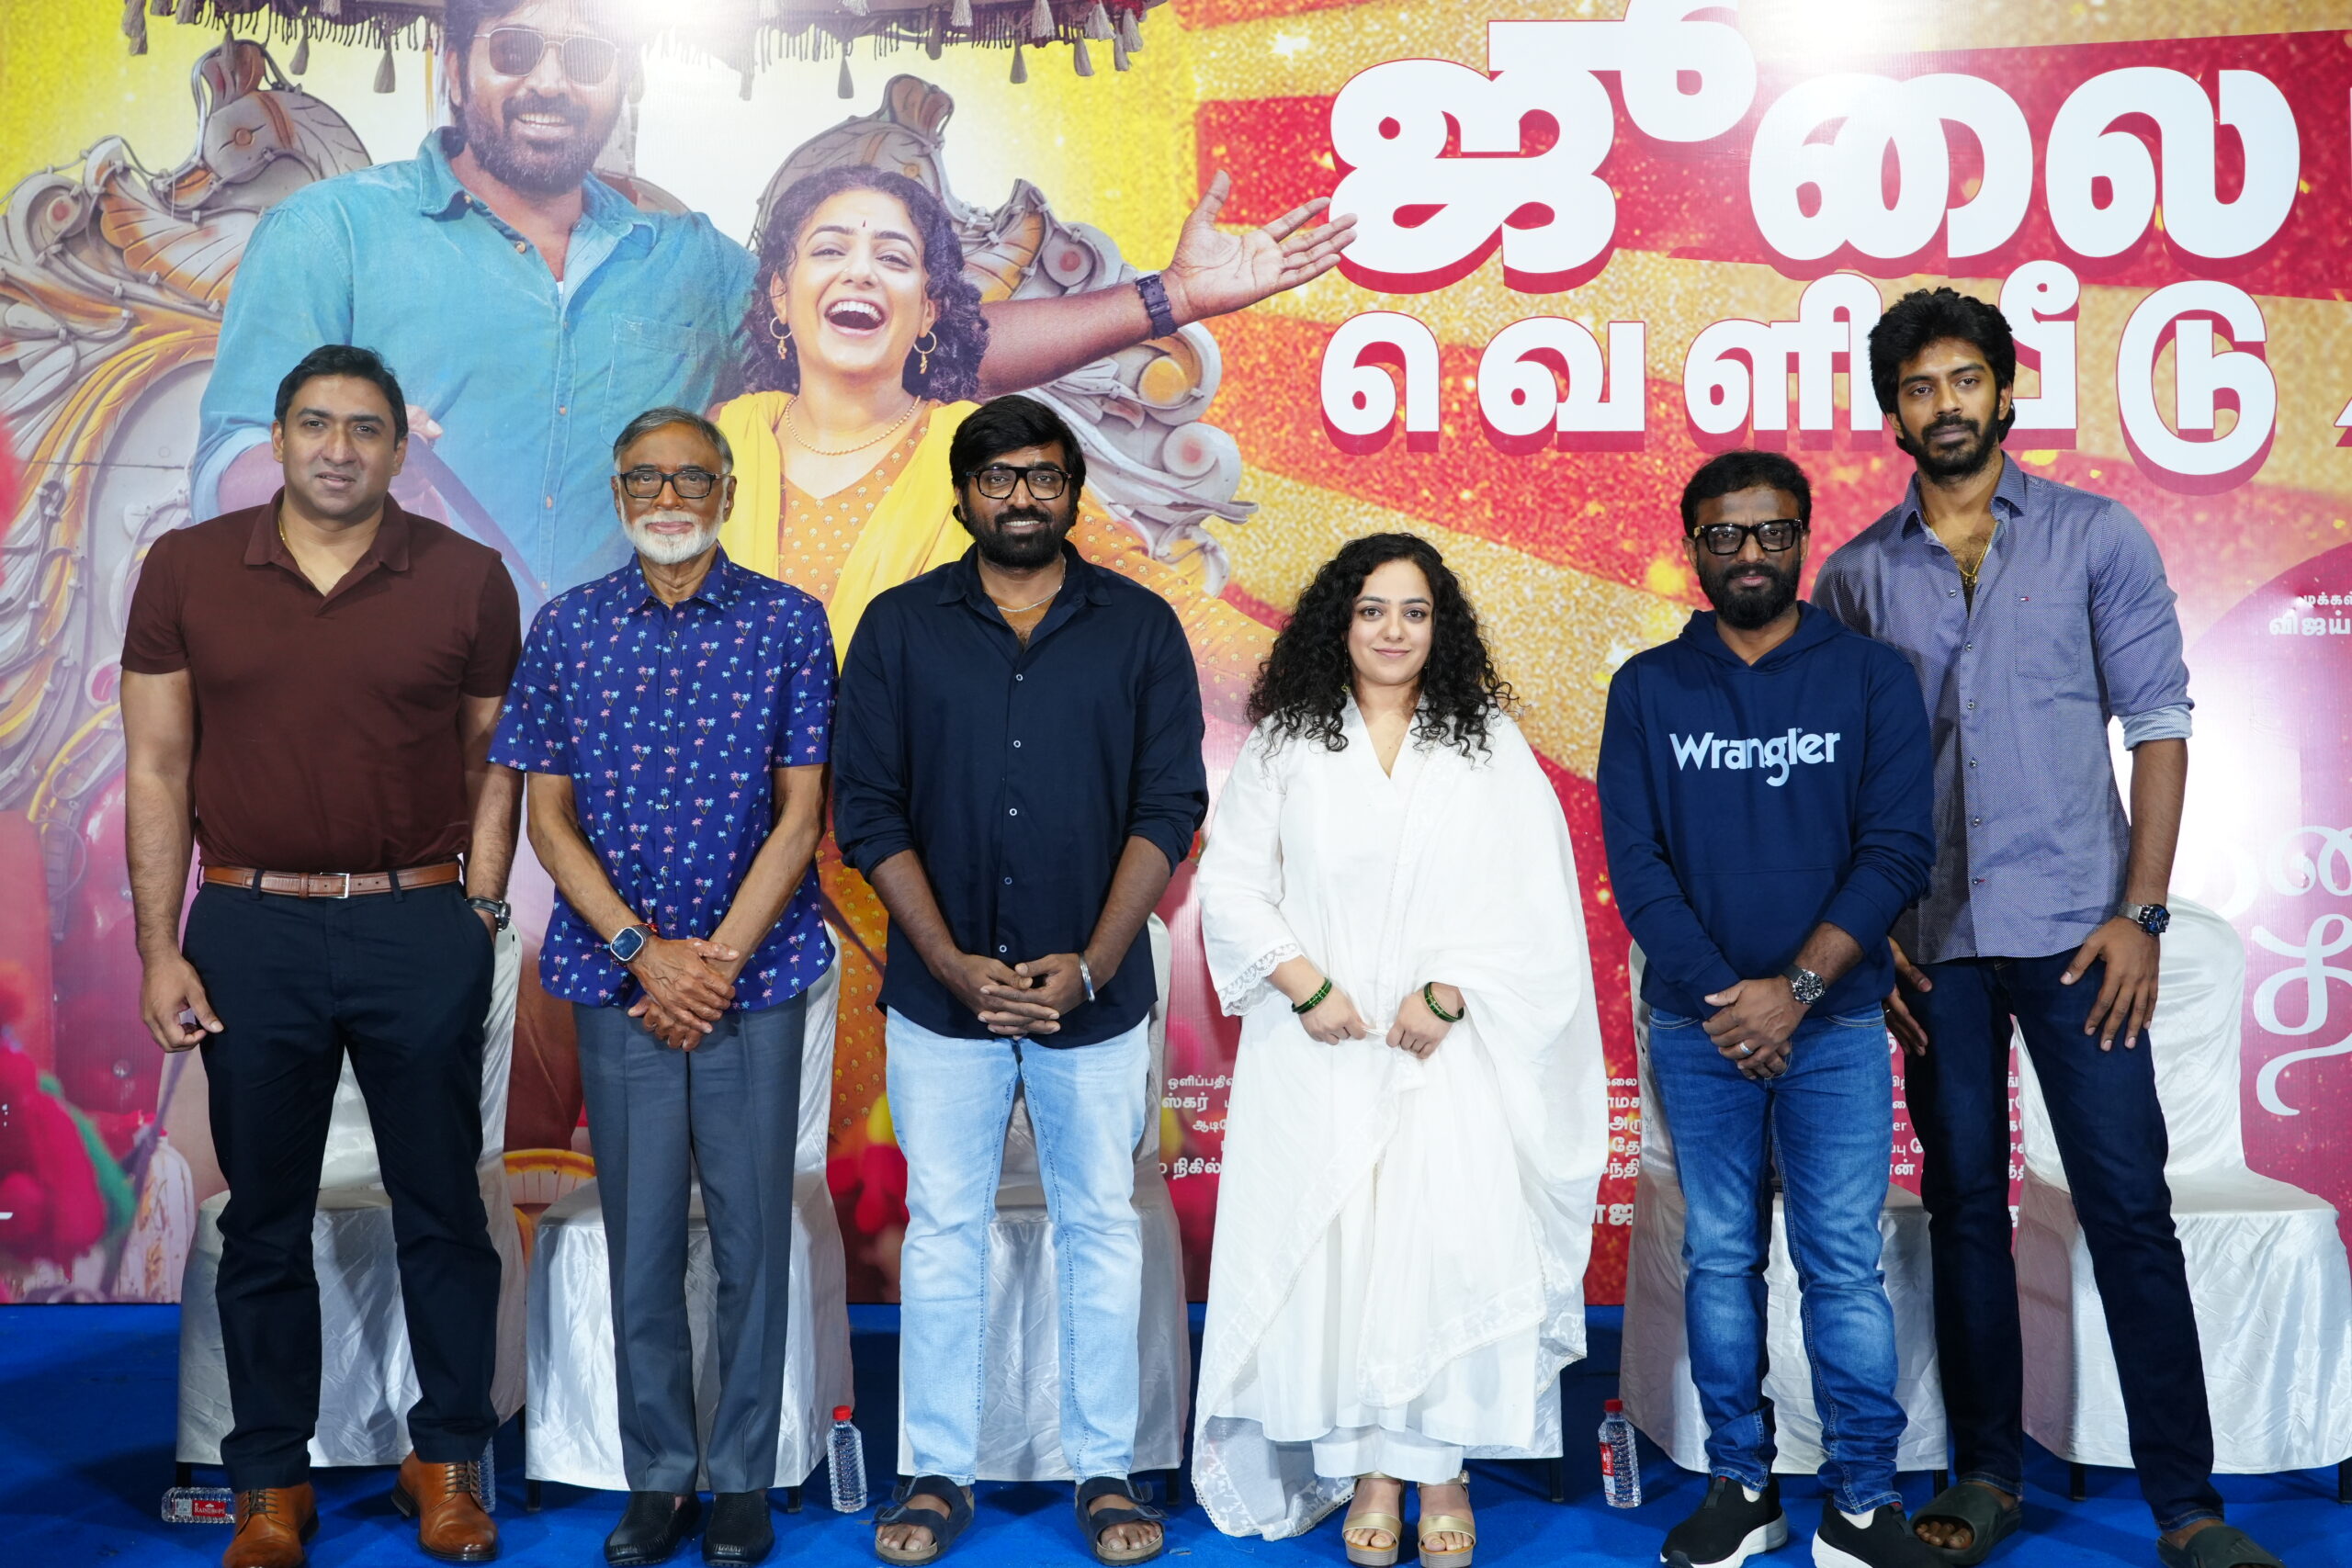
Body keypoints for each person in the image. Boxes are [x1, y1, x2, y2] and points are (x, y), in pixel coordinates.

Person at [194, 0, 1355, 602]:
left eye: (585, 58)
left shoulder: (687, 260)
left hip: (623, 726)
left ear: (617, 85)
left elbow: (922, 345)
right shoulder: (332, 233)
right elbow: (232, 464)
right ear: (456, 69)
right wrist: (349, 458)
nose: (549, 81)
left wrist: (1170, 295)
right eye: (515, 48)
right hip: (392, 696)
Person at [1815, 288, 2289, 1568]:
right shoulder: (1855, 576)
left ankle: (2186, 1506)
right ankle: (1986, 1477)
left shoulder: (2095, 536)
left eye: (1965, 379)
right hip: (1933, 941)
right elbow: (1842, 773)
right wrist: (1869, 927)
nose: (1945, 405)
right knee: (1966, 1203)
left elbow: (2160, 724)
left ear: (2006, 390)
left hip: (2083, 935)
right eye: (1919, 387)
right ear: (1893, 412)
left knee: (2127, 1203)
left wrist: (2142, 913)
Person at [122, 344, 521, 1568]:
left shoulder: (468, 577)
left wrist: (480, 911)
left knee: (444, 1209)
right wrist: (159, 946)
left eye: (363, 427)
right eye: (314, 423)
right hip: (251, 928)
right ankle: (269, 1481)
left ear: (400, 450)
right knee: (263, 1218)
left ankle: (446, 1461)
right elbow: (158, 767)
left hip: (419, 923)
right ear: (280, 438)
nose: (337, 447)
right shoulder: (187, 567)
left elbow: (492, 763)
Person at [831, 395, 1207, 1565]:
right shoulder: (898, 628)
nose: (1022, 497)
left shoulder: (1139, 629)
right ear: (962, 496)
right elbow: (866, 809)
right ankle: (936, 1474)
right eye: (997, 478)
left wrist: (1093, 965)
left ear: (1074, 493)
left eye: (1043, 476)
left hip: (1093, 1002)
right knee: (944, 1228)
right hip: (939, 999)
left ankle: (1106, 1473)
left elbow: (1168, 807)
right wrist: (948, 961)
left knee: (1099, 1226)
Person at [1188, 534, 1606, 1568]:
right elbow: (1233, 886)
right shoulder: (1287, 741)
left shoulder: (1486, 745)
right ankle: (1368, 1470)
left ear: (1439, 626)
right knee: (1338, 1261)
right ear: (1339, 619)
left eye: (1414, 612)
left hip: (1445, 1055)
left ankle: (1439, 1468)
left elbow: (1535, 899)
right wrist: (1303, 983)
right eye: (1372, 609)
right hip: (1316, 1049)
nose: (1392, 630)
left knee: (1436, 1251)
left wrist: (1452, 987)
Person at [489, 408, 832, 1567]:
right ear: (619, 493)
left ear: (728, 491)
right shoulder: (569, 628)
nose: (669, 497)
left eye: (692, 477)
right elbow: (546, 819)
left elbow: (801, 815)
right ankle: (659, 1479)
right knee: (640, 1242)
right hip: (620, 980)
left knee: (750, 1242)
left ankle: (741, 1481)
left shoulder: (788, 622)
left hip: (754, 979)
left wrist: (713, 963)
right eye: (647, 479)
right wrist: (647, 954)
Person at [1599, 451, 1939, 1568]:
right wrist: (1727, 1001)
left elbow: (1896, 852)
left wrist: (1791, 995)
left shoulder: (1873, 678)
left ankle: (1861, 1502)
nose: (1749, 553)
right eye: (1725, 535)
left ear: (1802, 537)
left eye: (1772, 532)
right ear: (1693, 546)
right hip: (1698, 1030)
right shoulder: (1647, 688)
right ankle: (1741, 1488)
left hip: (1832, 1027)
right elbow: (1637, 868)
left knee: (1841, 1262)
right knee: (1719, 1260)